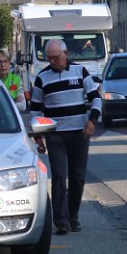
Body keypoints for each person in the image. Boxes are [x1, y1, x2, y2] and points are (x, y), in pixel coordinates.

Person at [30, 38, 101, 235]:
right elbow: (35, 109)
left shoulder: (80, 71)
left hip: (79, 134)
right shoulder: (42, 77)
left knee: (77, 177)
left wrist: (92, 121)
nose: (53, 61)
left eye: (56, 57)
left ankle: (73, 217)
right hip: (56, 136)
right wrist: (38, 136)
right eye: (50, 58)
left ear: (66, 54)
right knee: (59, 177)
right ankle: (61, 221)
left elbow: (96, 98)